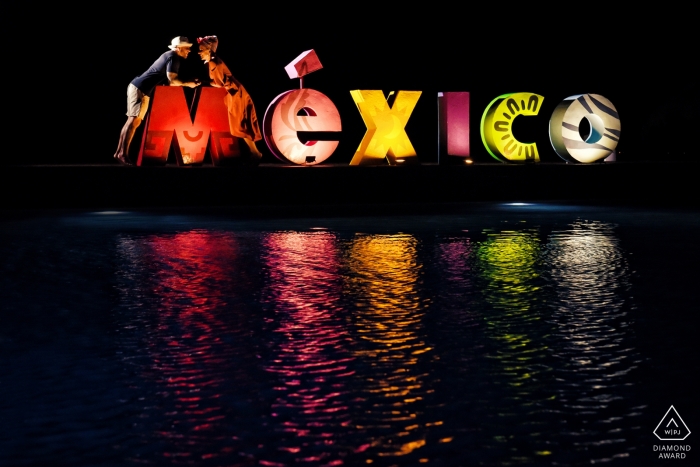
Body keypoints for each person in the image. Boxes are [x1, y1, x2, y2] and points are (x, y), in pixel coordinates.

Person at [114, 36, 200, 166]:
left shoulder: (170, 56)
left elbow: (171, 82)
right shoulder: (173, 56)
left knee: (133, 121)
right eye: (186, 48)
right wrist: (189, 84)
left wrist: (188, 82)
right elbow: (173, 80)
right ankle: (121, 153)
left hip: (141, 88)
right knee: (133, 121)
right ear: (178, 48)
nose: (189, 51)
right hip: (140, 88)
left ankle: (120, 153)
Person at [197, 35, 263, 162]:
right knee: (241, 124)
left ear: (209, 50)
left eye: (201, 50)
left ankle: (256, 153)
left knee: (241, 124)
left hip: (236, 93)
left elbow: (218, 83)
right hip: (234, 92)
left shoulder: (213, 62)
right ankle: (254, 153)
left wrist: (203, 81)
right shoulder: (213, 60)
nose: (199, 53)